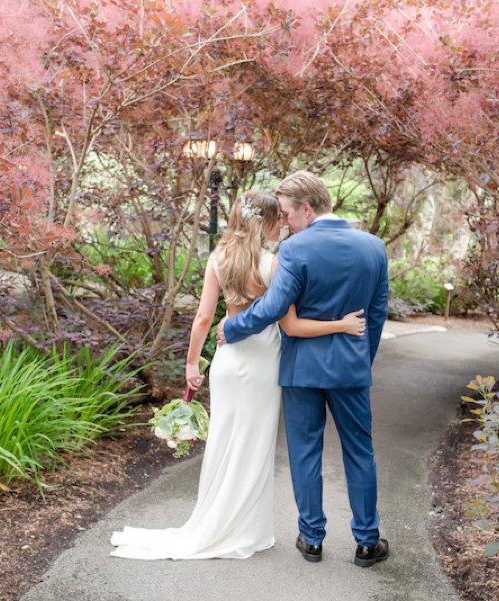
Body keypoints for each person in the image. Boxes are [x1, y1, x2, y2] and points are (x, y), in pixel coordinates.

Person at [109, 189, 365, 560]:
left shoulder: (219, 257)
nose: (282, 223)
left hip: (228, 362)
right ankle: (244, 529)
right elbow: (290, 325)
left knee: (224, 441)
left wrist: (192, 364)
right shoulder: (275, 264)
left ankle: (216, 521)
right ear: (265, 221)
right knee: (255, 444)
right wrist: (340, 325)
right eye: (278, 217)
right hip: (263, 362)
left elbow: (203, 318)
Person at [218, 170, 389, 567]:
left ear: (307, 209)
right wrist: (363, 358)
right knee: (360, 452)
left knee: (305, 452)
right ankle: (367, 542)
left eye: (287, 213)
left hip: (302, 370)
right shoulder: (373, 247)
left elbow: (276, 308)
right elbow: (377, 314)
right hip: (351, 368)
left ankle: (312, 538)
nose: (284, 222)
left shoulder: (295, 250)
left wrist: (233, 327)